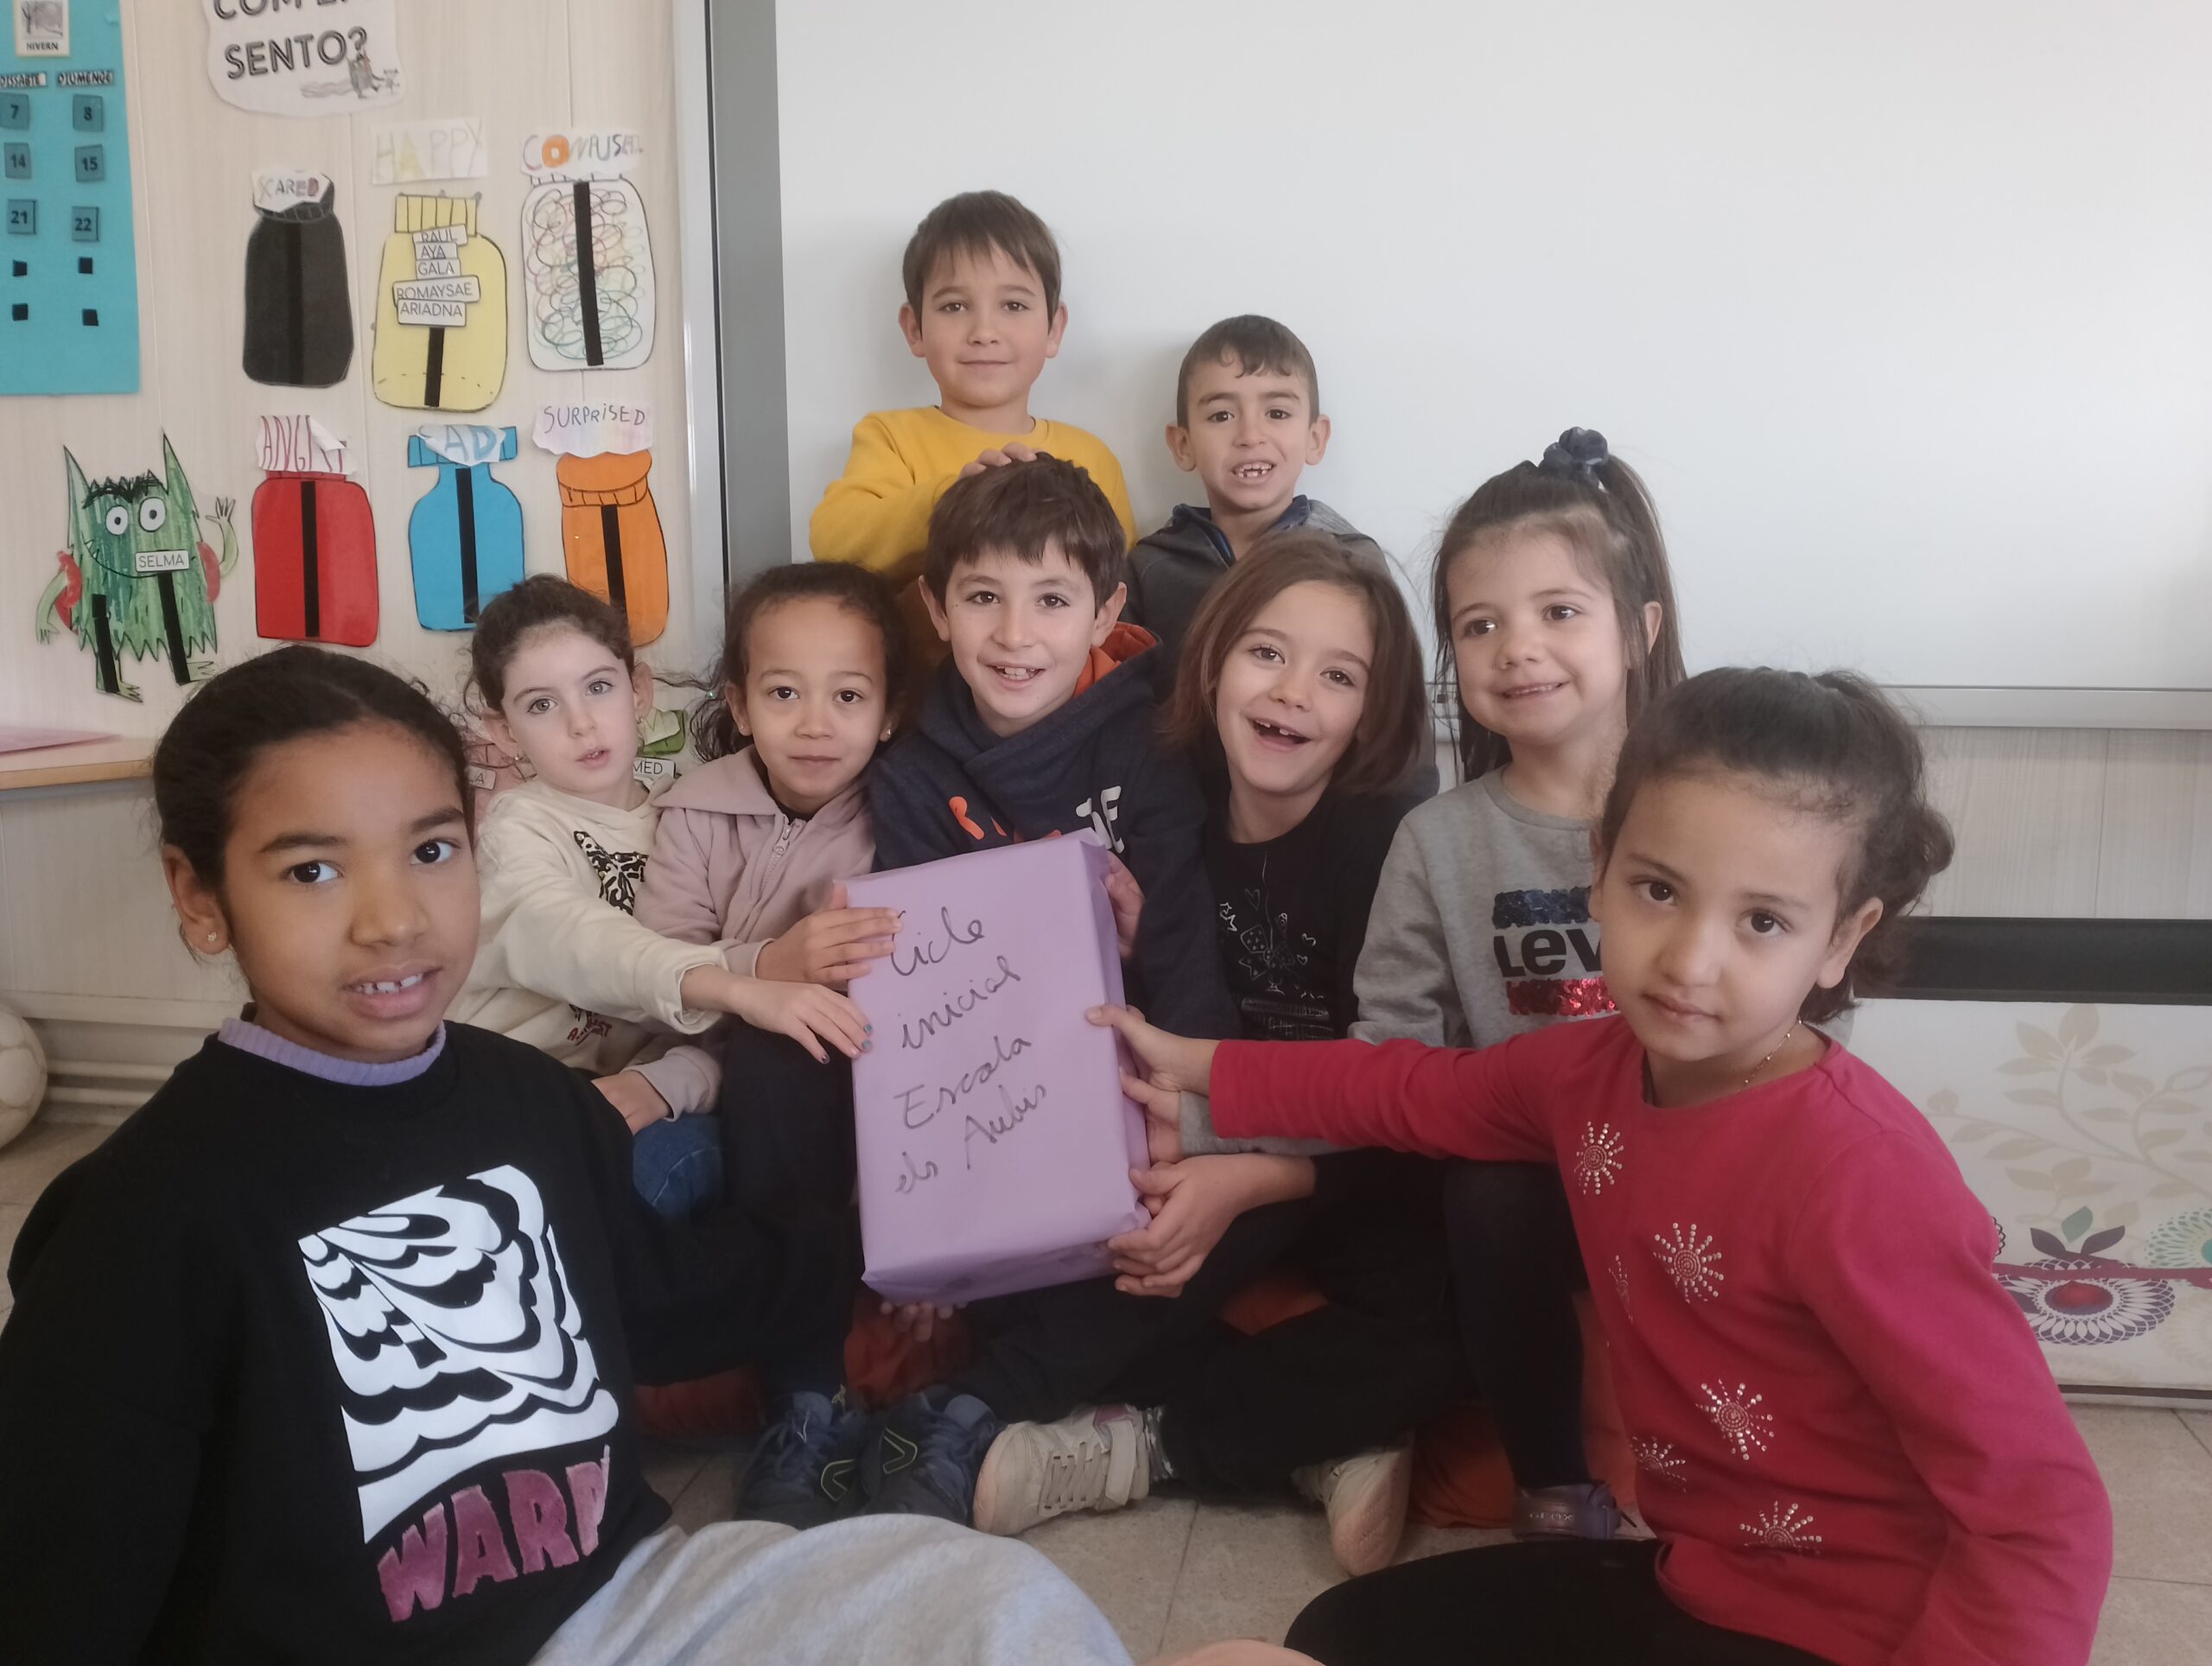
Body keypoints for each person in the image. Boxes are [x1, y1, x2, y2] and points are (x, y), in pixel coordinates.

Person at [0, 645, 1315, 1666]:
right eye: (310, 872)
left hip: (621, 1607)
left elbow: (671, 1299)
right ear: (198, 895)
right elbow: (64, 1585)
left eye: (433, 850)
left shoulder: (521, 1102)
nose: (393, 919)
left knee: (999, 1605)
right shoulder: (140, 1221)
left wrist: (918, 1229)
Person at [1095, 667, 2113, 1666]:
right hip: (1699, 1581)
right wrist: (1201, 1068)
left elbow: (2042, 1513)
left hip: (1852, 1632)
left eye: (1761, 920)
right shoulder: (1585, 1071)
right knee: (1335, 1633)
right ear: (1600, 865)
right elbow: (1403, 1088)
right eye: (1658, 889)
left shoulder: (1863, 1176)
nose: (1690, 959)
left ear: (1841, 938)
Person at [972, 531, 1472, 1576]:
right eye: (1266, 653)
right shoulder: (1171, 803)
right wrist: (1124, 946)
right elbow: (1143, 1018)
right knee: (1077, 1273)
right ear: (1211, 663)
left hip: (1350, 1157)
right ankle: (1328, 1437)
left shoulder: (1385, 843)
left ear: (1373, 711)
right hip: (1193, 1126)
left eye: (1338, 675)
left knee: (1463, 1308)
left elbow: (1399, 1095)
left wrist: (1251, 1176)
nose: (1292, 692)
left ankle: (1156, 1444)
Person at [1351, 426, 1682, 1538]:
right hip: (1534, 1174)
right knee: (1485, 1187)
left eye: (1558, 611)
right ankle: (1553, 1490)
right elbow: (1390, 1042)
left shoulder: (1710, 806)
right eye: (1478, 624)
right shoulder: (1437, 840)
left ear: (1637, 630)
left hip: (1695, 1150)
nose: (1517, 648)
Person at [452, 576, 868, 1222]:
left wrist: (677, 1076)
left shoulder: (692, 812)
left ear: (639, 692)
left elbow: (713, 1030)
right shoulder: (517, 830)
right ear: (504, 732)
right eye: (541, 705)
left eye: (598, 687)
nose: (581, 723)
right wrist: (753, 974)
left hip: (644, 1093)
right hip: (518, 1089)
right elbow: (580, 940)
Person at [629, 562, 905, 1526]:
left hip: (849, 1115)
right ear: (741, 705)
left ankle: (806, 1395)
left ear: (890, 713)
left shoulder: (899, 815)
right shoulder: (693, 813)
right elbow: (655, 981)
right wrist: (766, 968)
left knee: (787, 1052)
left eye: (849, 696)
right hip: (710, 1096)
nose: (816, 723)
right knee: (633, 1177)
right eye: (785, 693)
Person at [810, 189, 1138, 674]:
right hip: (921, 696)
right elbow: (835, 542)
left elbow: (1115, 597)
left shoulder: (1091, 457)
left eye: (1013, 305)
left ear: (1054, 328)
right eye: (954, 306)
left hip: (1052, 694)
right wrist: (952, 497)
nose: (984, 331)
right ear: (914, 329)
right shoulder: (892, 436)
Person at [1123, 315, 1379, 669]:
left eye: (1277, 413)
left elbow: (1387, 686)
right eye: (1222, 416)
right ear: (1183, 445)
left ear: (1315, 438)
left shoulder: (1354, 562)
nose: (1250, 436)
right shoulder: (1149, 568)